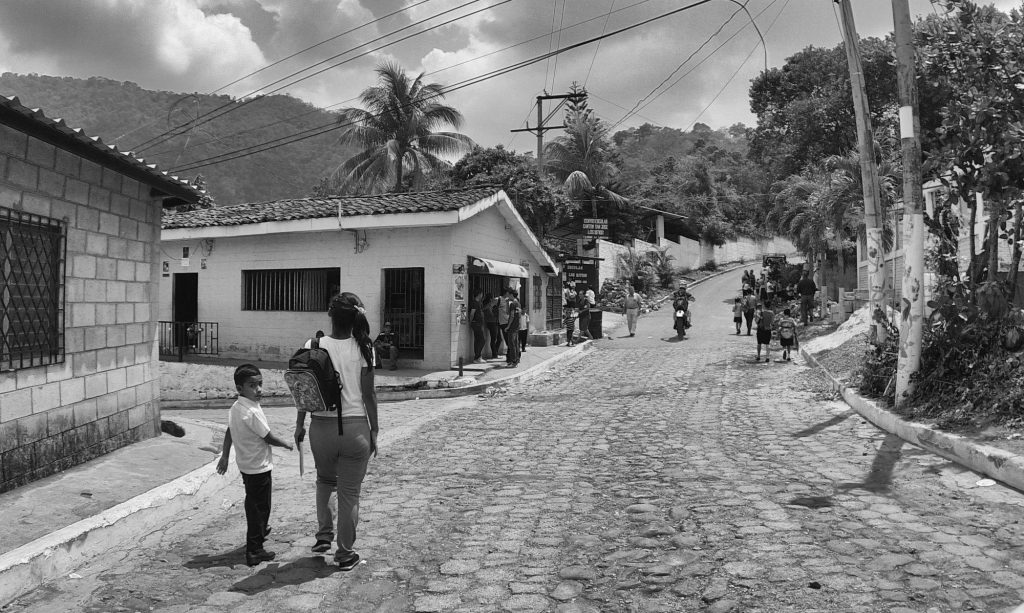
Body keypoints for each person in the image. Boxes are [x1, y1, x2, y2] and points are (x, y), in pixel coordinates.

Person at [294, 292, 379, 570]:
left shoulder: (313, 344)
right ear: (356, 316)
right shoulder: (365, 347)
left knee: (325, 481)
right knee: (349, 493)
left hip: (321, 428)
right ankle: (344, 554)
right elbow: (369, 395)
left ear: (330, 316)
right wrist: (374, 431)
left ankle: (323, 536)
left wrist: (299, 425)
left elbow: (304, 390)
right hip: (355, 430)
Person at [216, 364, 293, 567]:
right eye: (252, 385)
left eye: (260, 384)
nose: (258, 389)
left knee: (254, 504)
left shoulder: (236, 408)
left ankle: (258, 532)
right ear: (240, 389)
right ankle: (255, 550)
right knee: (260, 507)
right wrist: (286, 444)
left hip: (246, 466)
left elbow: (229, 431)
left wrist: (225, 456)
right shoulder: (251, 412)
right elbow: (267, 437)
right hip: (259, 467)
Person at [504, 287, 522, 367]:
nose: (507, 296)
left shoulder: (513, 304)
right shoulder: (518, 303)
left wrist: (508, 326)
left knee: (512, 344)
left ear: (511, 295)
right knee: (516, 343)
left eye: (509, 294)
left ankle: (513, 361)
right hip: (517, 326)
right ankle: (517, 360)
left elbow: (511, 316)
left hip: (512, 326)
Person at [469, 290, 487, 363]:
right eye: (482, 294)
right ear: (479, 294)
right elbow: (472, 313)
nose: (482, 295)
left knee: (478, 340)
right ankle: (477, 357)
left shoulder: (478, 303)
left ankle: (477, 357)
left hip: (478, 323)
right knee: (482, 340)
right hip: (476, 323)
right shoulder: (474, 303)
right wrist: (470, 321)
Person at [482, 292, 500, 359]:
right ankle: (494, 354)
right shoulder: (488, 304)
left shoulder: (490, 305)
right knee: (493, 339)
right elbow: (489, 313)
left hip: (494, 322)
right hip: (491, 322)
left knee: (498, 339)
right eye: (492, 298)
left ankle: (495, 353)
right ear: (490, 298)